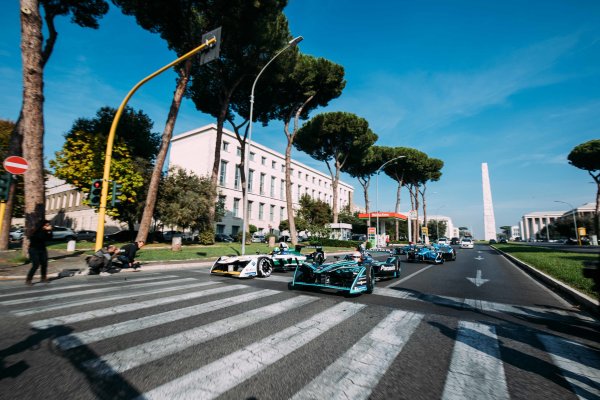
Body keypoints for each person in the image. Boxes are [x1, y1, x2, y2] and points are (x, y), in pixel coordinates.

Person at [25, 219, 52, 286]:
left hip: (42, 249)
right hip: (34, 249)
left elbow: (50, 238)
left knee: (44, 264)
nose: (48, 226)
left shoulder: (45, 231)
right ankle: (28, 279)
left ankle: (43, 278)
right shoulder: (35, 231)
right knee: (36, 265)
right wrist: (46, 230)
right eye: (46, 225)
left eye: (48, 225)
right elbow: (40, 237)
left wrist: (49, 231)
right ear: (42, 225)